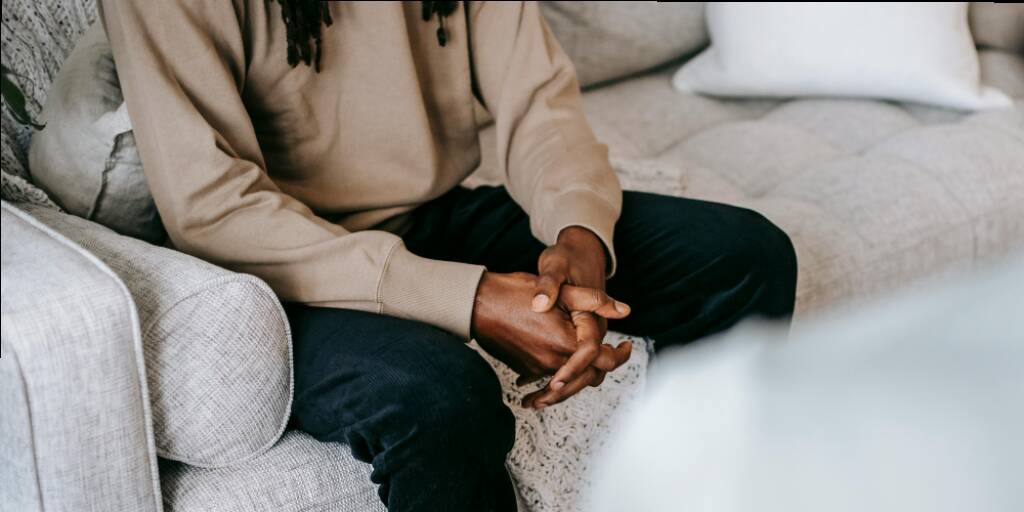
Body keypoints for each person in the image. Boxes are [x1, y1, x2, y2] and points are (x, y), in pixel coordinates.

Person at [99, 1, 797, 510]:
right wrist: (470, 298)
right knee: (439, 399)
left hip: (427, 213)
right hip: (276, 264)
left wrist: (579, 238)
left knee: (745, 257)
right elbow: (213, 207)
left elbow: (539, 103)